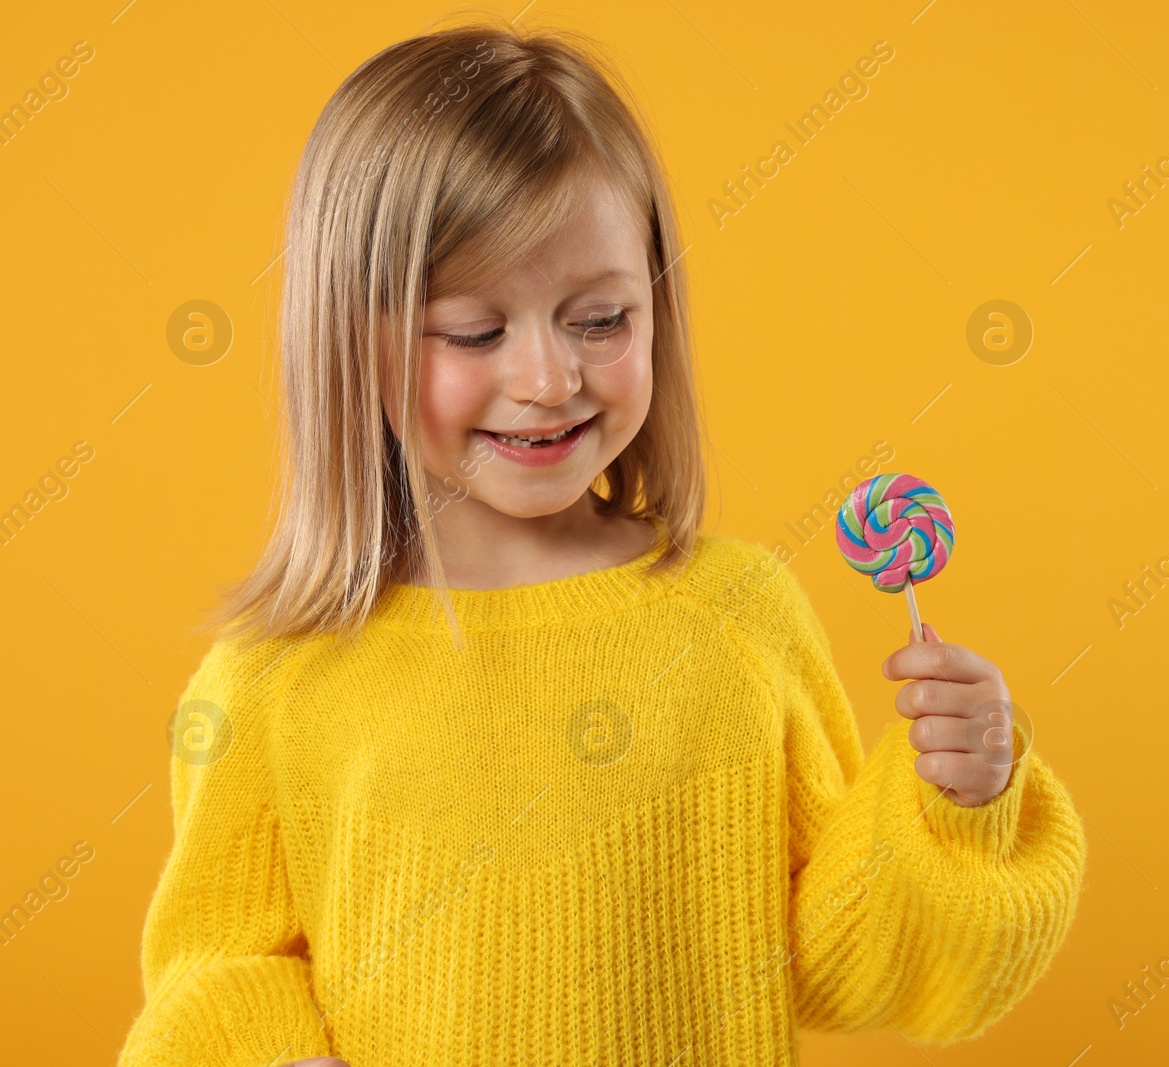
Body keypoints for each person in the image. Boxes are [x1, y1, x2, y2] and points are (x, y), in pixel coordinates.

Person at [118, 17, 1087, 1066]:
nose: (547, 378)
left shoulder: (735, 612)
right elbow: (214, 962)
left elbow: (835, 959)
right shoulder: (275, 673)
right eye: (476, 330)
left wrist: (957, 799)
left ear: (655, 308)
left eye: (599, 320)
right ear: (349, 340)